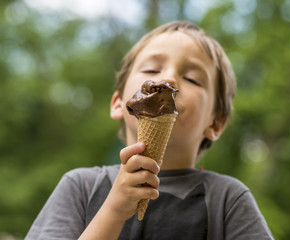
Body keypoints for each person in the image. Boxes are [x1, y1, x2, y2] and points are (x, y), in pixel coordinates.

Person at [25, 21, 274, 240]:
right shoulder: (81, 187)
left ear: (216, 123)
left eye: (192, 79)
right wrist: (113, 211)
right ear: (118, 103)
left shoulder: (228, 200)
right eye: (152, 70)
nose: (167, 80)